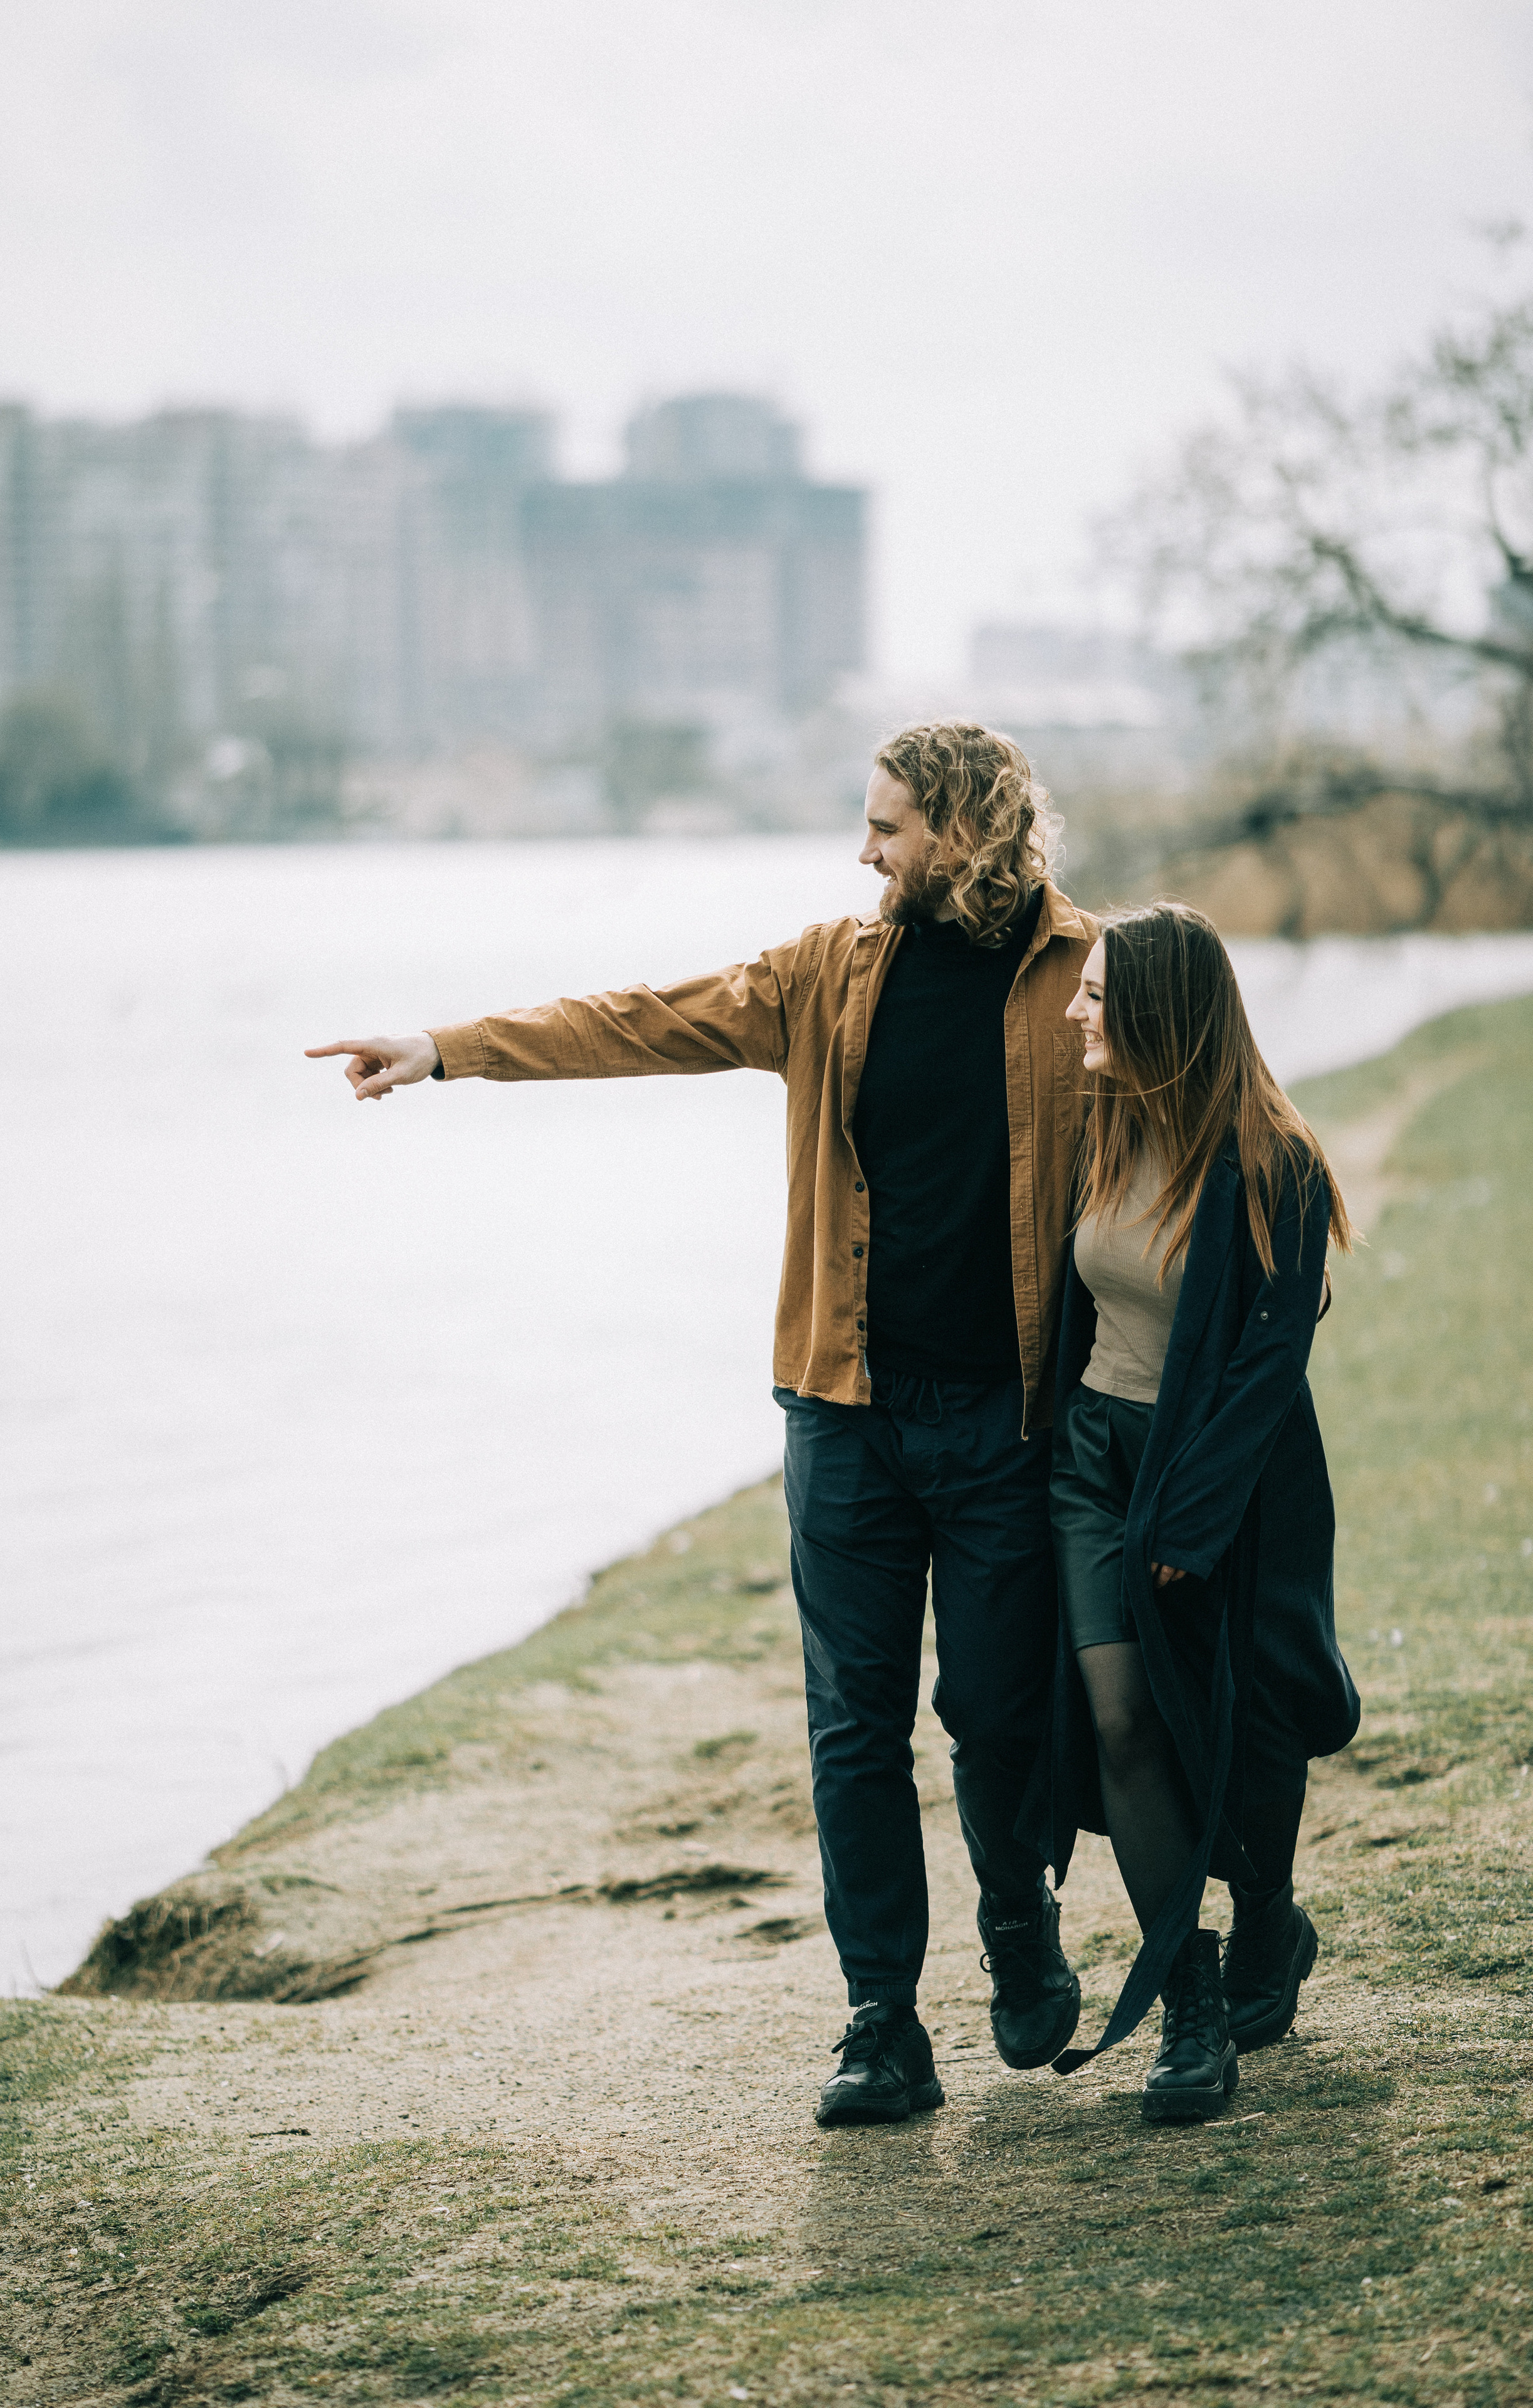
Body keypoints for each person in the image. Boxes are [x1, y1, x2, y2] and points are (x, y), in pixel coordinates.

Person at [308, 721, 1097, 2126]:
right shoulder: (825, 972)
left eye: (888, 826)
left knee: (992, 1713)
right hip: (843, 1416)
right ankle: (880, 2025)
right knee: (852, 1728)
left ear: (965, 832)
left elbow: (1192, 1126)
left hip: (1003, 1425)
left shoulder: (1082, 975)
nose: (863, 850)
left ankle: (1019, 1924)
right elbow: (639, 1019)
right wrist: (448, 1049)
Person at [1038, 901, 1359, 2124]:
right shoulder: (1098, 1130)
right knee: (1121, 1723)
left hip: (1228, 1482)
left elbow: (1263, 1365)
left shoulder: (1270, 1163)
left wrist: (1192, 1523)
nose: (1073, 1010)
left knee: (1245, 1726)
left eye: (1095, 993)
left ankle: (1266, 1924)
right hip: (1090, 1463)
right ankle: (1187, 2004)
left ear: (1160, 1011)